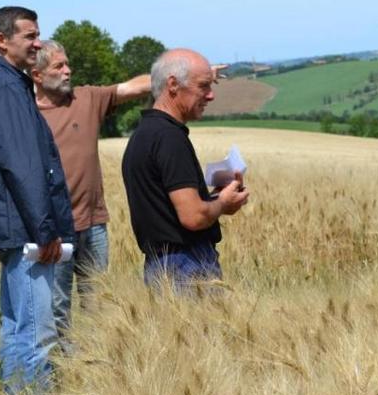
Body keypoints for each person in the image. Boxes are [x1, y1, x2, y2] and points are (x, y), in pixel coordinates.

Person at [0, 7, 74, 394]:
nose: (38, 43)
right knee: (36, 337)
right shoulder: (7, 88)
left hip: (13, 230)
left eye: (38, 35)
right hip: (27, 233)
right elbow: (23, 168)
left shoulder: (0, 84)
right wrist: (45, 232)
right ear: (2, 40)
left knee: (15, 329)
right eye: (30, 36)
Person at [30, 40, 150, 332]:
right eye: (59, 66)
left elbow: (133, 87)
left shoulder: (85, 98)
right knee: (57, 309)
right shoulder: (26, 115)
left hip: (94, 225)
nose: (68, 71)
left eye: (68, 63)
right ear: (37, 75)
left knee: (97, 304)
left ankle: (93, 371)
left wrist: (188, 74)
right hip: (54, 230)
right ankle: (61, 372)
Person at [121, 48, 249, 290]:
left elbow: (167, 209)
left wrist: (213, 197)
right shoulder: (169, 138)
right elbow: (193, 217)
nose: (210, 96)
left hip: (162, 266)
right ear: (173, 85)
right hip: (186, 267)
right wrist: (223, 203)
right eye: (203, 86)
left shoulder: (144, 133)